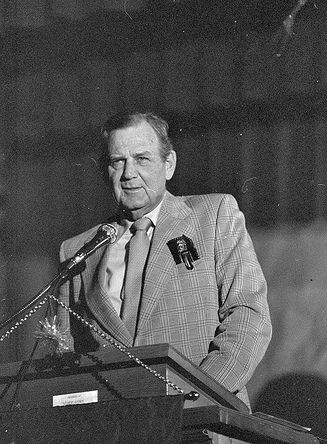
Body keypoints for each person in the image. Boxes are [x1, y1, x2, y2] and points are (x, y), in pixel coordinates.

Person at [55, 111, 272, 441]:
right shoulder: (78, 249)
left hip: (203, 425)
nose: (129, 174)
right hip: (113, 431)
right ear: (105, 171)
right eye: (117, 161)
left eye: (141, 158)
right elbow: (63, 351)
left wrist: (190, 400)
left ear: (168, 164)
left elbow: (248, 318)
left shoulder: (213, 215)